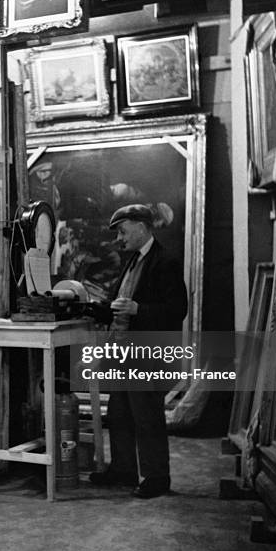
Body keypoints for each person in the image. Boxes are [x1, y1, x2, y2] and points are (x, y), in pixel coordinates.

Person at [89, 203, 188, 498]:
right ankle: (124, 470)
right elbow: (118, 306)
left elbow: (176, 310)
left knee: (147, 417)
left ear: (142, 227)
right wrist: (92, 309)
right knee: (118, 413)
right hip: (123, 353)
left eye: (122, 231)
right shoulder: (131, 261)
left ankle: (157, 478)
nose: (119, 238)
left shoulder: (165, 261)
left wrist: (137, 308)